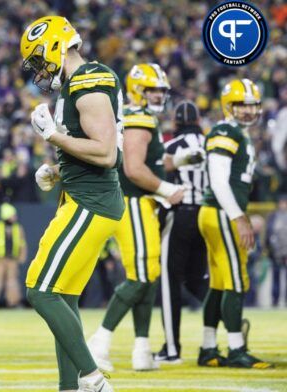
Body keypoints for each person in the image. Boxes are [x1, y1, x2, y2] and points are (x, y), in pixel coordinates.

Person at [21, 15, 124, 392]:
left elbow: (106, 152)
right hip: (84, 196)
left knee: (40, 290)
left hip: (91, 202)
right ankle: (69, 388)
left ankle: (93, 380)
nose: (36, 70)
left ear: (53, 48)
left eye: (37, 60)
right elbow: (91, 146)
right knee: (62, 294)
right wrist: (57, 170)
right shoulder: (78, 83)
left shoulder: (89, 81)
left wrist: (53, 138)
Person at [87, 63, 183, 372]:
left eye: (161, 90)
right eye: (153, 89)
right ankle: (99, 342)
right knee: (142, 275)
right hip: (135, 203)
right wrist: (167, 188)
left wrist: (178, 160)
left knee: (148, 273)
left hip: (131, 202)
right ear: (139, 89)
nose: (158, 95)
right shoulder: (139, 117)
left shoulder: (132, 115)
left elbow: (149, 161)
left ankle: (142, 347)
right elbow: (134, 168)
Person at [197, 78, 271, 369]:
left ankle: (208, 348)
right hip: (221, 213)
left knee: (218, 285)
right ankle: (237, 349)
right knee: (237, 282)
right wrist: (238, 217)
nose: (248, 111)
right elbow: (218, 180)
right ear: (229, 106)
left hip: (217, 213)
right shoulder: (226, 130)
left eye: (253, 105)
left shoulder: (237, 132)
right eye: (242, 105)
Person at [154, 101, 209, 363]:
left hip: (182, 214)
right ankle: (226, 331)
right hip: (208, 216)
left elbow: (156, 173)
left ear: (175, 123)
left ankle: (172, 349)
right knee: (200, 281)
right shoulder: (211, 145)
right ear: (198, 120)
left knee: (170, 281)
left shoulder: (170, 147)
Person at [0, 203, 27, 308]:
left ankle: (14, 302)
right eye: (13, 215)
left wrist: (21, 258)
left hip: (12, 259)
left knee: (12, 282)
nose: (15, 217)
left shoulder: (18, 228)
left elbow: (22, 244)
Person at [267, 194, 287, 307]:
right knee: (276, 276)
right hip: (275, 252)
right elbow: (268, 234)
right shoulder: (273, 216)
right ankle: (275, 300)